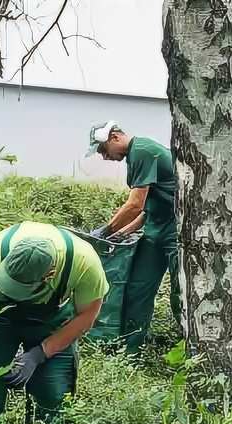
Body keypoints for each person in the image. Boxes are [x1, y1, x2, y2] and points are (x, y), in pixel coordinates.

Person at [0, 221, 109, 424]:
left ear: (50, 275)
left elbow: (87, 316)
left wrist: (39, 353)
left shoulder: (83, 262)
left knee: (53, 393)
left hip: (50, 320)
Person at [85, 120, 180, 353]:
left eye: (103, 150)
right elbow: (147, 210)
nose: (104, 157)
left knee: (182, 293)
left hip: (176, 231)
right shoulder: (134, 157)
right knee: (138, 290)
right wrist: (119, 235)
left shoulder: (143, 151)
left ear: (115, 137)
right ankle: (131, 352)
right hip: (154, 229)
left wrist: (105, 232)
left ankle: (192, 352)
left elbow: (135, 205)